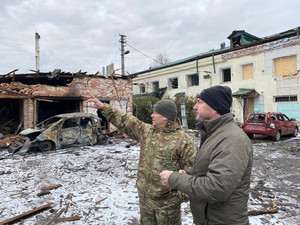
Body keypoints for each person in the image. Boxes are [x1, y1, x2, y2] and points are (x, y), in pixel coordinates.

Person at [85, 93, 197, 225]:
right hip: (145, 201)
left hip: (167, 205)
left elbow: (193, 172)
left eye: (155, 113)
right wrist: (103, 107)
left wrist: (178, 197)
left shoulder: (183, 140)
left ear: (165, 117)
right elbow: (126, 121)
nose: (152, 115)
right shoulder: (147, 132)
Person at [160, 85, 253, 225]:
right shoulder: (214, 134)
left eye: (199, 102)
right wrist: (190, 174)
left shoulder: (232, 139)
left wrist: (175, 179)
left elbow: (217, 189)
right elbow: (211, 169)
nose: (194, 107)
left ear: (214, 107)